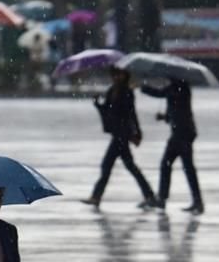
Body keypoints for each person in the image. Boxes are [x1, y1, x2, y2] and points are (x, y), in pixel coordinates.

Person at [81, 67, 159, 209]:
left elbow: (131, 114)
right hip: (117, 134)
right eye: (115, 74)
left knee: (108, 165)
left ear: (125, 75)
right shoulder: (112, 91)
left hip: (122, 134)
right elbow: (107, 110)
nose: (117, 77)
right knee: (129, 166)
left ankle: (96, 197)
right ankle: (149, 196)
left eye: (119, 74)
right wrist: (97, 103)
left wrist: (137, 132)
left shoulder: (127, 92)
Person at [142, 77, 204, 214]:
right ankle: (194, 201)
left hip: (182, 134)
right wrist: (164, 117)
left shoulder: (179, 88)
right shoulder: (178, 88)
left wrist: (143, 87)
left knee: (175, 165)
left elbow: (162, 94)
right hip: (181, 133)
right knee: (176, 166)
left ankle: (165, 199)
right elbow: (176, 110)